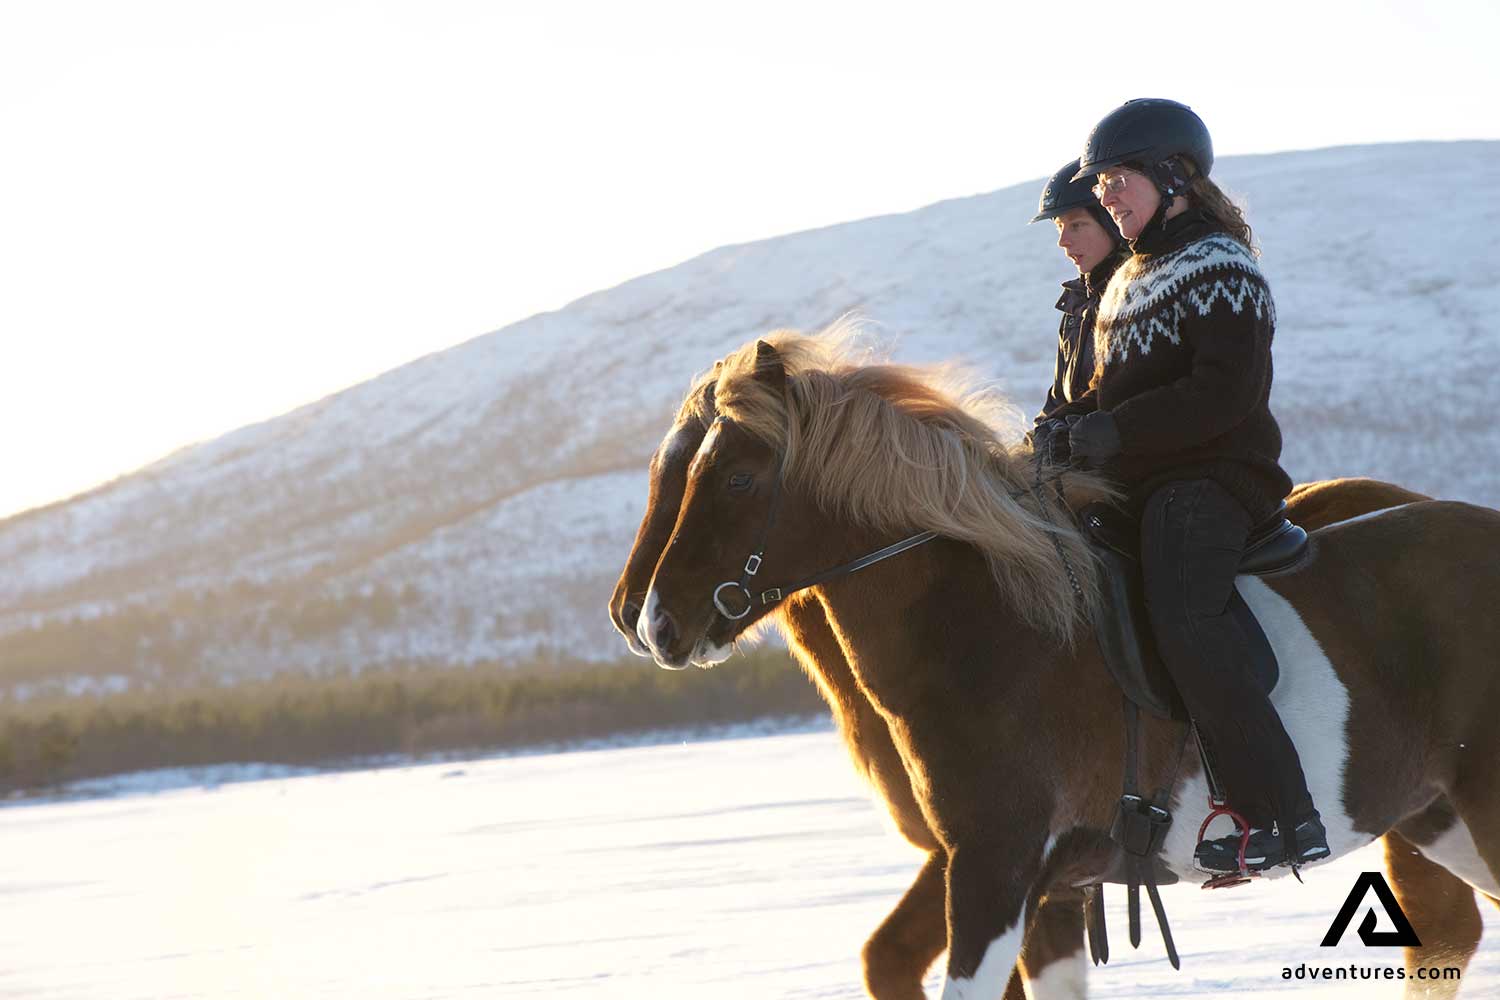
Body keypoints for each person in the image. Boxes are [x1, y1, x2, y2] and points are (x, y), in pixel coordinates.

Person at [1062, 98, 1330, 873]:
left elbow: (1224, 393)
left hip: (1213, 479)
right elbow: (1118, 392)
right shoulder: (1129, 279)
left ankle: (1285, 812)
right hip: (1147, 481)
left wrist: (1119, 432)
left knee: (1185, 618)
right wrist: (1068, 426)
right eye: (1102, 184)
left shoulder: (1219, 264)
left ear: (1172, 176)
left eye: (1117, 179)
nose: (1106, 196)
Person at [1026, 160, 1128, 461]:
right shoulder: (1076, 308)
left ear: (1111, 222)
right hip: (1077, 465)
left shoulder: (1139, 299)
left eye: (1076, 224)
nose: (1063, 241)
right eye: (1059, 227)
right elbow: (1058, 401)